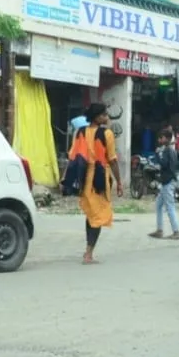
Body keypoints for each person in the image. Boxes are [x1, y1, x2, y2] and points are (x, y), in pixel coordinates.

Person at [70, 103, 123, 264]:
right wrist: (119, 182)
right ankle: (88, 254)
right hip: (99, 178)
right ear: (97, 117)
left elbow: (73, 156)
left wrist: (66, 178)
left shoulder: (80, 132)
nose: (107, 118)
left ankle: (88, 251)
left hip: (84, 178)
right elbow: (113, 160)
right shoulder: (107, 134)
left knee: (91, 215)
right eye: (104, 115)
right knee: (98, 216)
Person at [149, 128, 179, 240]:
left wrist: (158, 154)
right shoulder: (171, 150)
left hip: (167, 182)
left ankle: (176, 232)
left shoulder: (167, 150)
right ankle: (159, 230)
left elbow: (164, 164)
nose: (159, 139)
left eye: (161, 138)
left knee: (170, 207)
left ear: (166, 139)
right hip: (167, 182)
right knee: (158, 205)